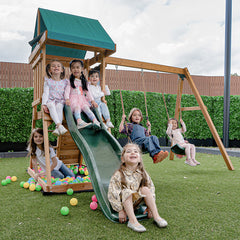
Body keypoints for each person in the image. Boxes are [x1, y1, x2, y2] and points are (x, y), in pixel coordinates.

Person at [108, 143, 168, 232]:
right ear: (123, 159)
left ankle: (157, 216)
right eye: (128, 152)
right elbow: (113, 193)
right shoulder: (118, 175)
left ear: (139, 158)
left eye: (136, 151)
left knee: (145, 189)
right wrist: (120, 210)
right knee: (127, 191)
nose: (133, 153)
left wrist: (149, 206)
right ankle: (132, 221)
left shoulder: (142, 173)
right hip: (123, 203)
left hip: (136, 203)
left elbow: (151, 188)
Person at [65, 59, 100, 129]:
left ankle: (95, 120)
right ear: (71, 70)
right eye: (73, 68)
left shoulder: (84, 82)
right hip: (73, 99)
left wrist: (92, 101)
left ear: (82, 69)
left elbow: (88, 92)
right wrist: (67, 99)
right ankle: (79, 121)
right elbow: (67, 91)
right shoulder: (70, 81)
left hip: (82, 99)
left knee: (87, 108)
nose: (75, 69)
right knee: (76, 108)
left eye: (77, 67)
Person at [42, 60, 68, 136]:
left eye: (58, 66)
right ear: (50, 70)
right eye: (53, 66)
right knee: (50, 105)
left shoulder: (65, 82)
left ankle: (57, 127)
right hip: (51, 100)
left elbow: (67, 92)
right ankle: (59, 125)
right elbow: (45, 93)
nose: (56, 67)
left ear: (62, 70)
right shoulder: (48, 82)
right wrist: (44, 104)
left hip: (60, 101)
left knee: (59, 107)